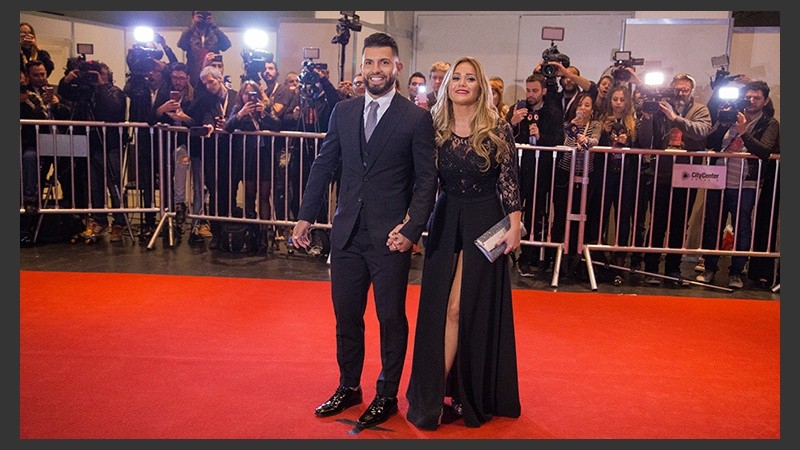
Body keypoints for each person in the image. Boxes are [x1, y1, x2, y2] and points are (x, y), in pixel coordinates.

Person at [291, 32, 437, 430]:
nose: (376, 70)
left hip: (391, 237)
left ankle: (387, 395)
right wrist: (306, 215)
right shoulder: (344, 112)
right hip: (347, 235)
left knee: (391, 318)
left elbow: (426, 181)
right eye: (370, 63)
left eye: (384, 63)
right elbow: (325, 166)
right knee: (346, 317)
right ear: (362, 67)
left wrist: (411, 229)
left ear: (397, 67)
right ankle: (349, 386)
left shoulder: (416, 118)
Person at [405, 56, 522, 430]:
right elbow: (423, 183)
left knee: (460, 309)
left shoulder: (497, 128)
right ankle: (433, 392)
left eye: (470, 78)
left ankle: (437, 396)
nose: (462, 83)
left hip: (485, 222)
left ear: (480, 86)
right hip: (445, 221)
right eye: (456, 77)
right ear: (446, 85)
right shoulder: (433, 127)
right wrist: (410, 225)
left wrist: (516, 225)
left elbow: (510, 181)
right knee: (437, 308)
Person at [696, 80, 779, 289]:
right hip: (718, 179)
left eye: (756, 98)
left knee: (742, 227)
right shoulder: (730, 115)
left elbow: (764, 150)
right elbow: (710, 143)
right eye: (747, 97)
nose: (750, 101)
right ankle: (709, 268)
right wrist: (723, 125)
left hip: (746, 183)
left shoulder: (769, 123)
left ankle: (736, 271)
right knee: (713, 224)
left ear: (765, 100)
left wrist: (743, 131)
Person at [177, 11, 232, 87]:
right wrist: (193, 26)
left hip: (212, 74)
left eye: (207, 14)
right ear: (193, 17)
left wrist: (213, 26)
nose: (202, 17)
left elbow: (226, 45)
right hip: (193, 73)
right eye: (199, 14)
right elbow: (182, 45)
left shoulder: (214, 32)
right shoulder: (190, 32)